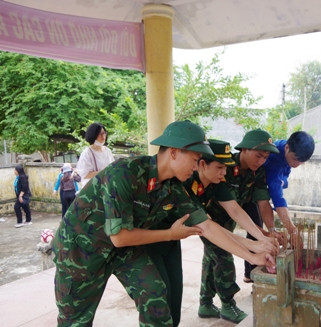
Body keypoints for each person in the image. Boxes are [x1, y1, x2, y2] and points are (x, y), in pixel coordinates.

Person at [52, 120, 275, 327]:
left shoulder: (173, 188)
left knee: (155, 295)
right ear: (174, 152)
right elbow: (120, 236)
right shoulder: (124, 174)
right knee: (76, 321)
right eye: (195, 160)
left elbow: (206, 225)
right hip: (81, 251)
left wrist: (253, 254)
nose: (197, 167)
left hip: (122, 252)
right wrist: (170, 234)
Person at [182, 139, 279, 324]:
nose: (224, 173)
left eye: (225, 167)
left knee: (213, 258)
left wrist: (261, 239)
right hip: (196, 226)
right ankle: (227, 304)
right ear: (202, 164)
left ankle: (205, 302)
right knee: (223, 255)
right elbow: (208, 227)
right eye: (219, 167)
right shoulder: (186, 184)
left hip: (210, 224)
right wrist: (252, 249)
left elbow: (235, 210)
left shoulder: (216, 182)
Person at [243, 131, 315, 281]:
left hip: (260, 191)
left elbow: (266, 199)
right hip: (247, 190)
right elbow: (276, 198)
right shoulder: (274, 161)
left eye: (301, 162)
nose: (297, 165)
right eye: (295, 159)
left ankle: (252, 272)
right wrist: (292, 230)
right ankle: (252, 273)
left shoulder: (285, 151)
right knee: (255, 227)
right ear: (287, 148)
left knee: (261, 229)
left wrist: (272, 230)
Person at [76, 122, 114, 189]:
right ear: (93, 135)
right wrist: (104, 172)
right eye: (100, 134)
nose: (103, 136)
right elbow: (85, 174)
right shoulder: (87, 153)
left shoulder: (108, 151)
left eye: (104, 133)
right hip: (92, 189)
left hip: (107, 187)